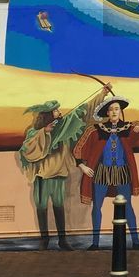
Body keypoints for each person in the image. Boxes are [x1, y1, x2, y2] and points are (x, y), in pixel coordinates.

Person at [74, 95, 139, 250]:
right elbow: (78, 149)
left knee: (128, 206)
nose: (114, 112)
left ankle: (136, 242)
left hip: (123, 172)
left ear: (120, 111)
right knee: (97, 207)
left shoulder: (129, 128)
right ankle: (95, 244)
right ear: (107, 113)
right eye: (111, 109)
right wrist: (82, 166)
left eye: (117, 109)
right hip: (101, 172)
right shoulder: (96, 130)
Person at [18, 99, 90, 250]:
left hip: (58, 175)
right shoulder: (35, 131)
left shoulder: (62, 128)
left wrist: (102, 93)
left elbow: (76, 118)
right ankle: (45, 240)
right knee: (42, 207)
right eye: (56, 111)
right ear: (49, 114)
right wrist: (45, 132)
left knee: (59, 206)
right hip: (42, 177)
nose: (59, 112)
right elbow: (28, 150)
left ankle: (62, 240)